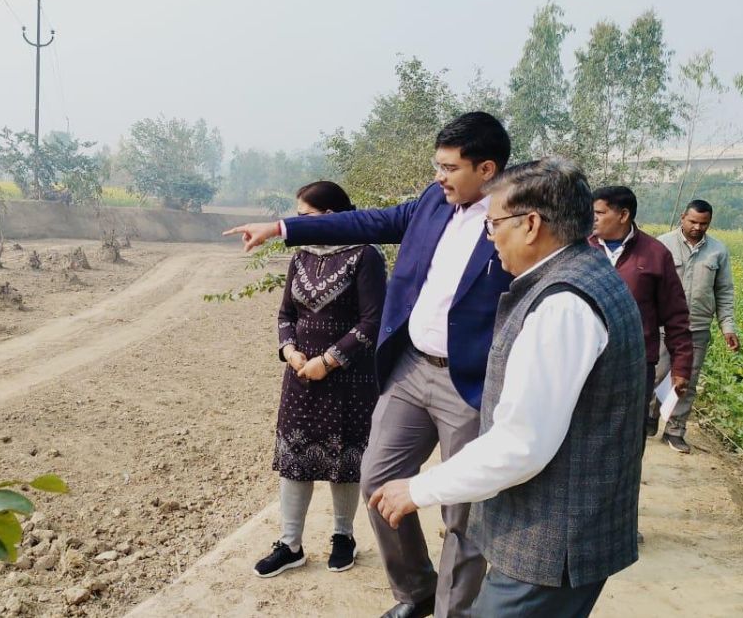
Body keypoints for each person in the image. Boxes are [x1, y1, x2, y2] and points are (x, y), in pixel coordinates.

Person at [226, 112, 514, 618]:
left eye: (449, 167)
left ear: (486, 168)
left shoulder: (515, 215)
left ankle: (455, 610)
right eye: (437, 166)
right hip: (409, 370)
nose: (439, 177)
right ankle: (416, 593)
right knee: (378, 481)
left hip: (467, 381)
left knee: (463, 507)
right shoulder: (432, 201)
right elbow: (367, 220)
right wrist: (280, 227)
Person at [369, 157, 647, 618]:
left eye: (494, 223)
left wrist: (419, 489)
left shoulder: (562, 306)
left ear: (531, 224)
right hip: (568, 533)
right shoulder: (588, 273)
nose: (489, 235)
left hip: (552, 543)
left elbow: (521, 445)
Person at [253, 181, 387, 578]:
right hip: (300, 376)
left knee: (344, 457)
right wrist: (291, 352)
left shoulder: (366, 255)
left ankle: (343, 537)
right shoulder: (301, 257)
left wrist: (328, 361)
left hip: (349, 377)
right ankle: (290, 544)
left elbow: (372, 321)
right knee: (294, 458)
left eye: (305, 216)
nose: (298, 223)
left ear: (329, 217)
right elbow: (285, 315)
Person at [589, 185, 694, 451]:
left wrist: (681, 367)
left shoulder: (655, 254)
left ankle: (621, 491)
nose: (594, 219)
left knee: (628, 438)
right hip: (585, 360)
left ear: (623, 215)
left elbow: (676, 315)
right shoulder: (581, 248)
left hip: (634, 364)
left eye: (600, 213)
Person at [653, 199, 740, 453]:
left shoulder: (718, 251)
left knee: (686, 382)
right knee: (655, 375)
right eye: (693, 221)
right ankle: (647, 419)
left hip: (697, 328)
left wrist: (728, 327)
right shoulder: (662, 245)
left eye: (704, 224)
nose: (697, 227)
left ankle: (674, 431)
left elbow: (724, 291)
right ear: (683, 217)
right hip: (663, 326)